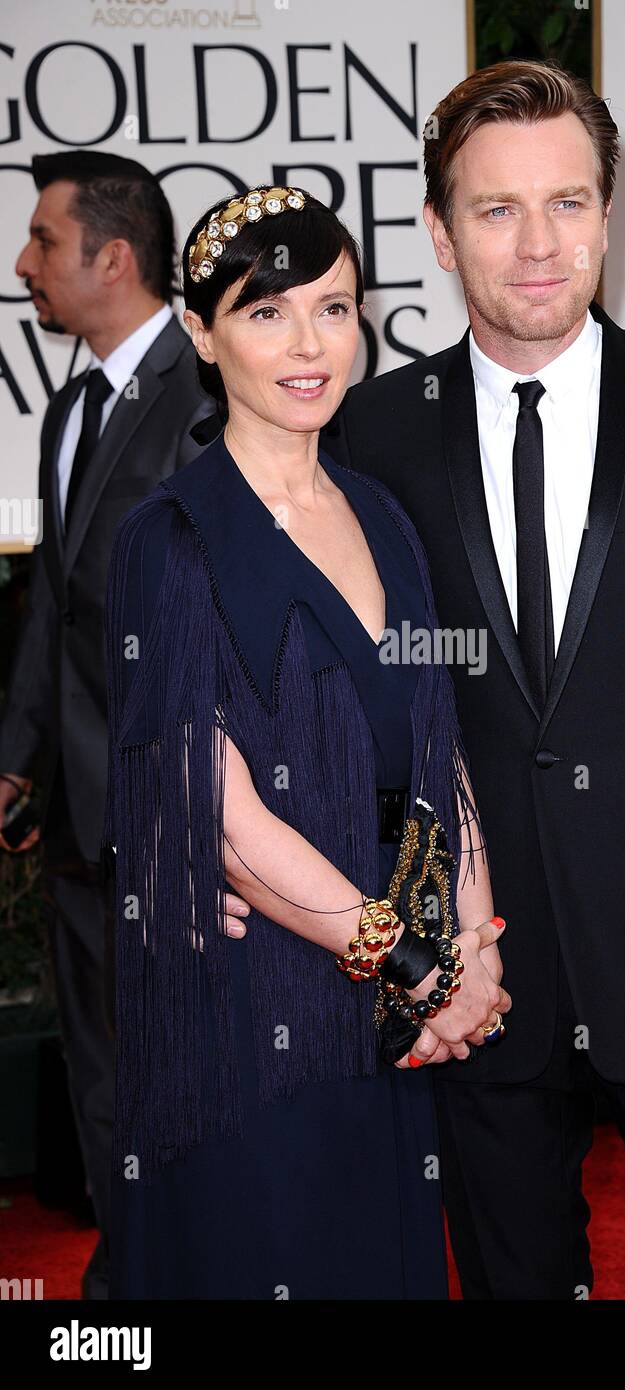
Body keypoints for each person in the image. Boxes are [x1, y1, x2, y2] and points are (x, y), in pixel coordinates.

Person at [314, 60, 625, 1299]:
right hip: (477, 997)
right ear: (438, 234)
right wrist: (417, 953)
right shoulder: (371, 434)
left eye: (568, 203)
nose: (538, 245)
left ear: (607, 213)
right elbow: (360, 717)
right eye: (496, 210)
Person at [102, 183, 509, 1299]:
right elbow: (223, 825)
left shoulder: (381, 512)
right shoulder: (170, 538)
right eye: (265, 313)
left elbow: (441, 747)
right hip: (257, 1001)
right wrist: (415, 966)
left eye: (334, 309)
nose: (308, 345)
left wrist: (476, 944)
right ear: (199, 330)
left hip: (389, 1006)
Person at [0, 149, 213, 1298]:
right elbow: (57, 604)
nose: (24, 265)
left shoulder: (210, 396)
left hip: (182, 814)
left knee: (189, 1072)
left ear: (113, 258)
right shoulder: (70, 407)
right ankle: (134, 1273)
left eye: (42, 241)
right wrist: (12, 760)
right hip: (79, 816)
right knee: (101, 1072)